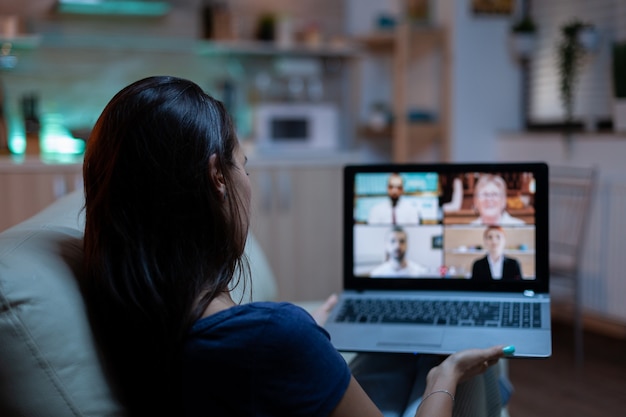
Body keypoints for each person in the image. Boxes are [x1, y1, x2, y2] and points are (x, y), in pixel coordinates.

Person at [81, 75, 509, 417]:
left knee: (408, 353)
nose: (247, 181)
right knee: (460, 360)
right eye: (242, 165)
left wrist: (309, 330)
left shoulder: (131, 312)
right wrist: (447, 377)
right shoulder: (272, 335)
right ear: (217, 177)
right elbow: (267, 347)